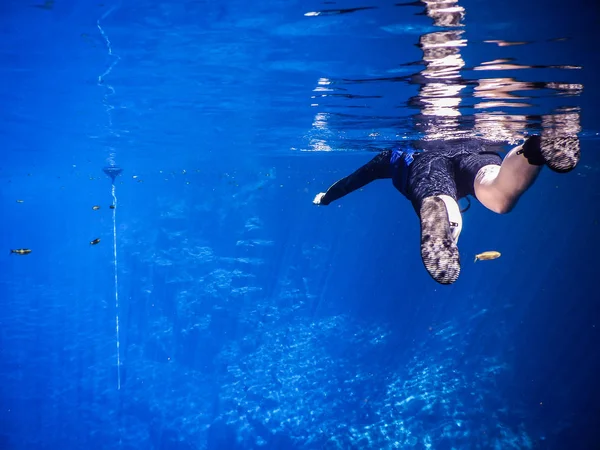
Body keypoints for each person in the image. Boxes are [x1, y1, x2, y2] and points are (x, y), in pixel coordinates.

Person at [312, 135, 580, 285]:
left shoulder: (392, 152)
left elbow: (354, 179)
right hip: (477, 150)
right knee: (497, 194)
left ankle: (440, 215)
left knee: (440, 196)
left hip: (423, 160)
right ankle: (532, 150)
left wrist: (327, 197)